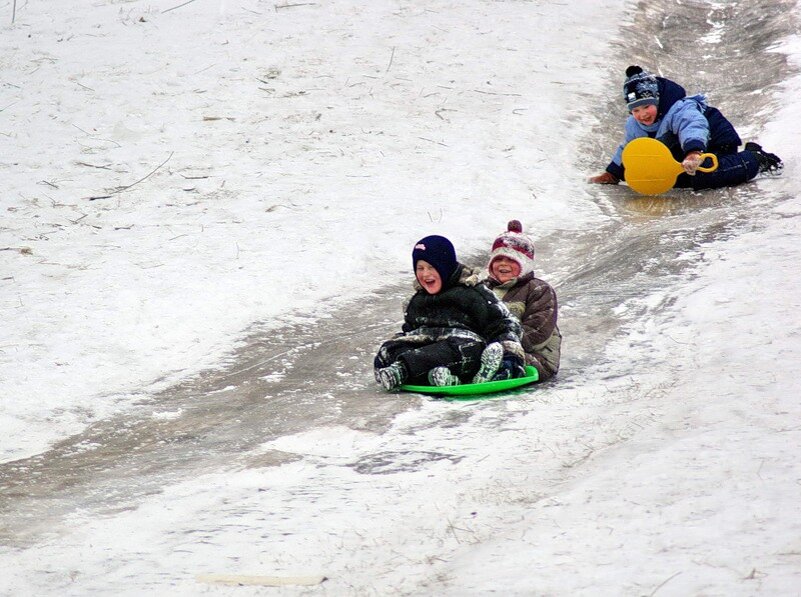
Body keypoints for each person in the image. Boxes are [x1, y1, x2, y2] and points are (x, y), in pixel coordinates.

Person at [588, 65, 782, 190]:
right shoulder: (635, 124)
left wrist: (694, 152)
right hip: (683, 151)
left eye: (647, 106)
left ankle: (755, 159)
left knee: (704, 175)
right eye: (636, 110)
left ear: (657, 100)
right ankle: (694, 162)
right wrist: (613, 173)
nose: (643, 114)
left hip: (714, 143)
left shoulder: (679, 109)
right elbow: (629, 149)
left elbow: (693, 126)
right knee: (676, 180)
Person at [374, 235, 527, 391]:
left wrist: (510, 358)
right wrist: (394, 348)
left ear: (445, 266)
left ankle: (404, 371)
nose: (425, 274)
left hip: (461, 353)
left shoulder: (473, 293)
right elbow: (410, 332)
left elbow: (503, 325)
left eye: (432, 267)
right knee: (388, 350)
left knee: (466, 348)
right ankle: (442, 378)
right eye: (420, 268)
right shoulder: (417, 300)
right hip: (428, 355)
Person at [483, 220, 561, 381]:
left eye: (511, 260)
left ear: (524, 264)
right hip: (489, 350)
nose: (503, 264)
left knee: (505, 354)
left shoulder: (538, 290)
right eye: (498, 259)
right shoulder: (483, 289)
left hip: (536, 358)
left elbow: (537, 333)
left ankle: (500, 371)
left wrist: (496, 342)